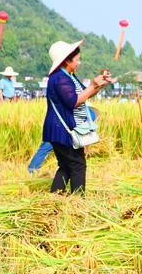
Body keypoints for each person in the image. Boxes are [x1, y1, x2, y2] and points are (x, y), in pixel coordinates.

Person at [43, 40, 113, 193]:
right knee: (78, 165)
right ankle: (77, 201)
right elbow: (74, 101)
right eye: (77, 59)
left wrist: (100, 84)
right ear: (67, 60)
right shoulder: (60, 78)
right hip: (62, 130)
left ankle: (55, 197)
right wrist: (93, 85)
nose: (79, 63)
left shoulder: (68, 76)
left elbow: (84, 94)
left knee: (66, 166)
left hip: (60, 129)